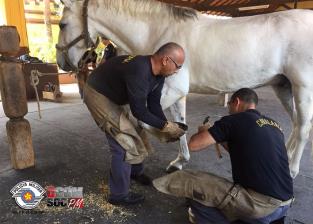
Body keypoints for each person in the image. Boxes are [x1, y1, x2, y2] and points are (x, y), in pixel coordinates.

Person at [153, 88, 294, 224]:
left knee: (190, 181)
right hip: (284, 206)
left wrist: (203, 132)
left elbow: (193, 145)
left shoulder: (233, 120)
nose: (229, 109)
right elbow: (242, 150)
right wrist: (218, 137)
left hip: (259, 207)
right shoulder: (275, 126)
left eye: (229, 104)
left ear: (236, 102)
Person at [83, 42, 186, 206]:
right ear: (166, 60)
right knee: (124, 142)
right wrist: (165, 127)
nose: (178, 71)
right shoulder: (140, 70)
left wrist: (165, 124)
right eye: (178, 66)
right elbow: (139, 111)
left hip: (114, 94)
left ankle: (134, 172)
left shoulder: (159, 75)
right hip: (98, 93)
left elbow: (153, 105)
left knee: (138, 130)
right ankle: (118, 195)